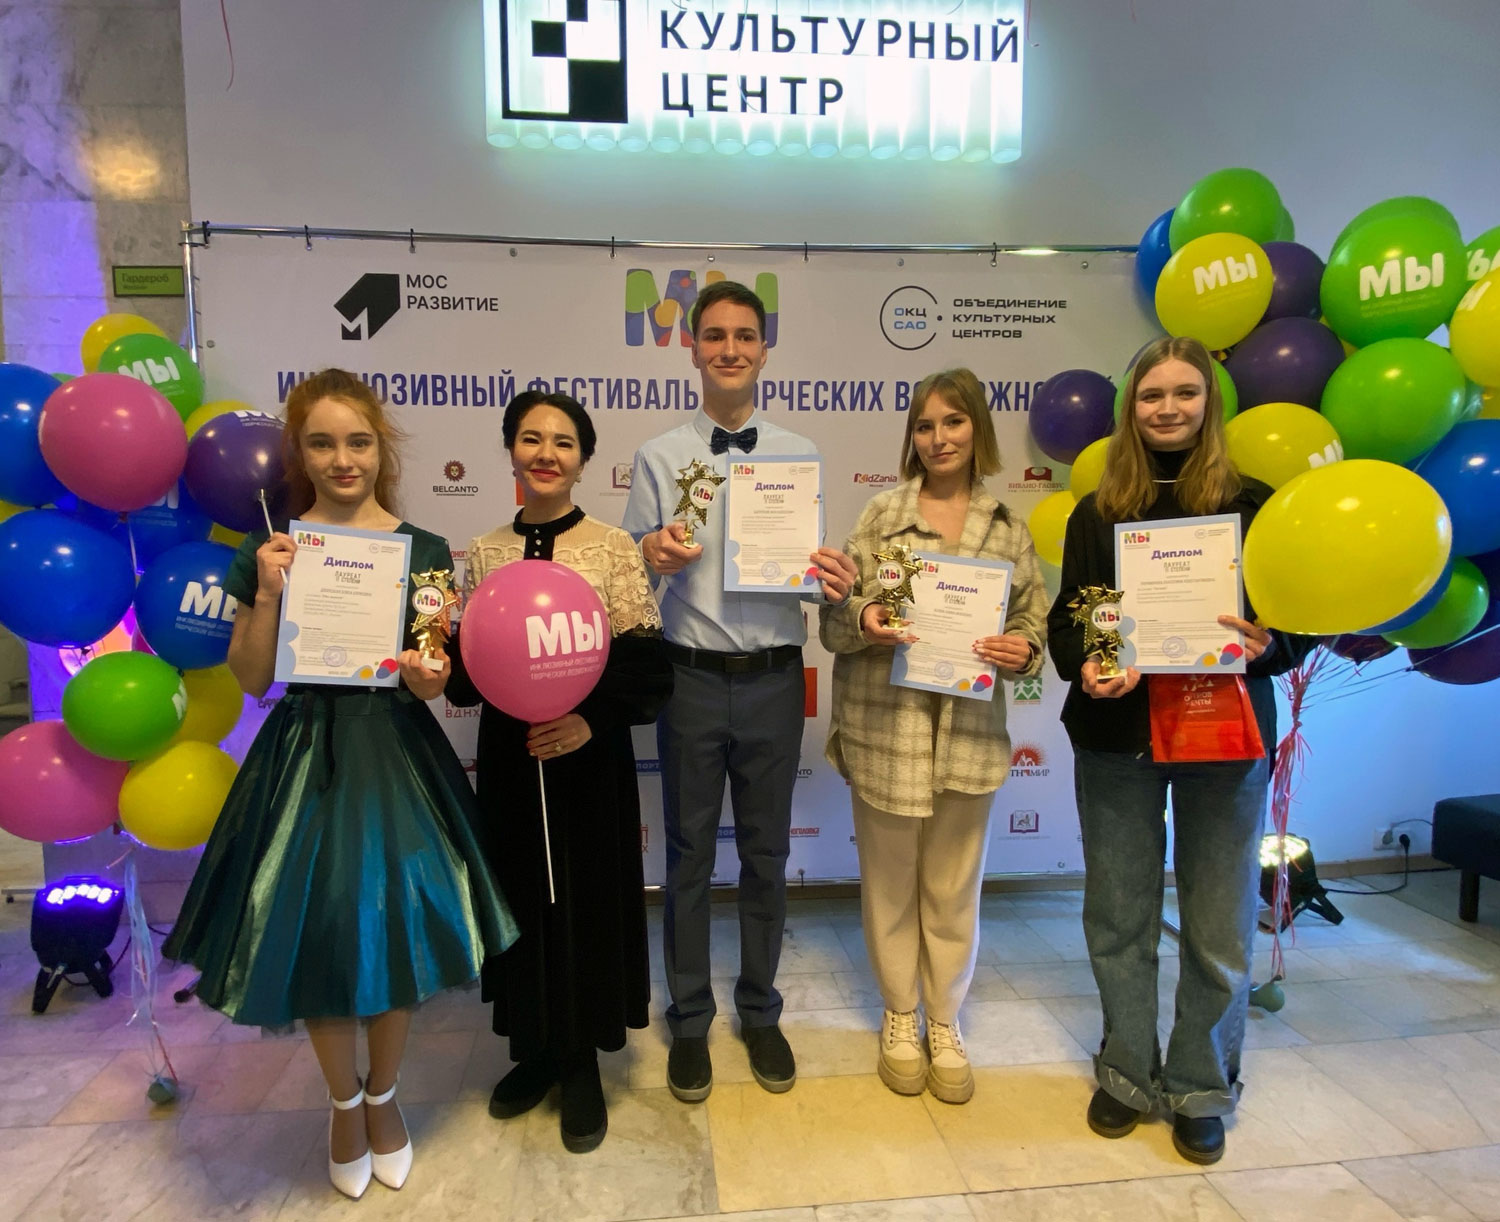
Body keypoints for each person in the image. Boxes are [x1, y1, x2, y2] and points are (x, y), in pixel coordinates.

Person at [164, 369, 517, 1199]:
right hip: (303, 753)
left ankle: (384, 1096)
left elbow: (431, 676)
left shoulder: (423, 550)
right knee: (319, 931)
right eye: (322, 443)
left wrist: (429, 672)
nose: (342, 459)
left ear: (380, 448)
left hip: (394, 751)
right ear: (300, 452)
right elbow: (253, 677)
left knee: (392, 929)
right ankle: (343, 1102)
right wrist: (269, 592)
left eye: (357, 441)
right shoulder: (271, 548)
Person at [1046, 335, 1310, 1165]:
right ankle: (1127, 1070)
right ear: (1131, 407)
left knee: (1219, 922)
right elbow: (1071, 621)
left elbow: (1296, 620)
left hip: (1224, 735)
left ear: (1210, 402)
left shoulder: (1255, 505)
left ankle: (1201, 1083)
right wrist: (1089, 665)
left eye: (1185, 393)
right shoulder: (1097, 512)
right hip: (1118, 738)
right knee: (1118, 916)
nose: (1167, 408)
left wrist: (1269, 644)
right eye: (1152, 394)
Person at [621, 280, 859, 1102]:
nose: (729, 349)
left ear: (764, 349)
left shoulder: (800, 452)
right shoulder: (658, 456)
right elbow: (630, 583)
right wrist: (648, 554)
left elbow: (806, 575)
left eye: (744, 336)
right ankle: (690, 1020)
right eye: (715, 335)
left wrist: (831, 581)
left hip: (773, 680)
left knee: (767, 856)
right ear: (691, 349)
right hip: (688, 678)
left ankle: (760, 1010)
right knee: (687, 858)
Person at [445, 391, 672, 1154]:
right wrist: (434, 655)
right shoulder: (483, 552)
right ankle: (534, 1049)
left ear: (583, 460)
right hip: (513, 761)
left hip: (588, 761)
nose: (547, 453)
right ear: (511, 449)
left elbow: (648, 672)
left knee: (583, 902)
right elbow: (469, 674)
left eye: (564, 442)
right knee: (520, 899)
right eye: (532, 438)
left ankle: (580, 1062)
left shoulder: (613, 548)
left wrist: (588, 721)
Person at [819, 368, 1048, 1104]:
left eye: (953, 422)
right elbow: (834, 619)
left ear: (978, 428)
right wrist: (864, 618)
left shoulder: (1008, 529)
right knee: (889, 886)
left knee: (952, 890)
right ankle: (900, 1013)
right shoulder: (880, 516)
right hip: (886, 729)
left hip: (969, 736)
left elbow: (1031, 623)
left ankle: (944, 1020)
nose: (939, 438)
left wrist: (1023, 648)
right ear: (910, 436)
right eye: (924, 425)